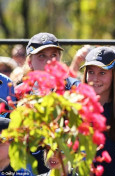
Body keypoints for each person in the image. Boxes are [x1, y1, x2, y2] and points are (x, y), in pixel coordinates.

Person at [16, 32, 80, 174]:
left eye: (53, 55)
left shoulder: (73, 89)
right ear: (29, 62)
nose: (49, 61)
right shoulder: (18, 93)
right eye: (42, 56)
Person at [81, 47, 115, 175]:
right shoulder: (76, 107)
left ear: (114, 75)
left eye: (102, 73)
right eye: (91, 72)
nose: (95, 79)